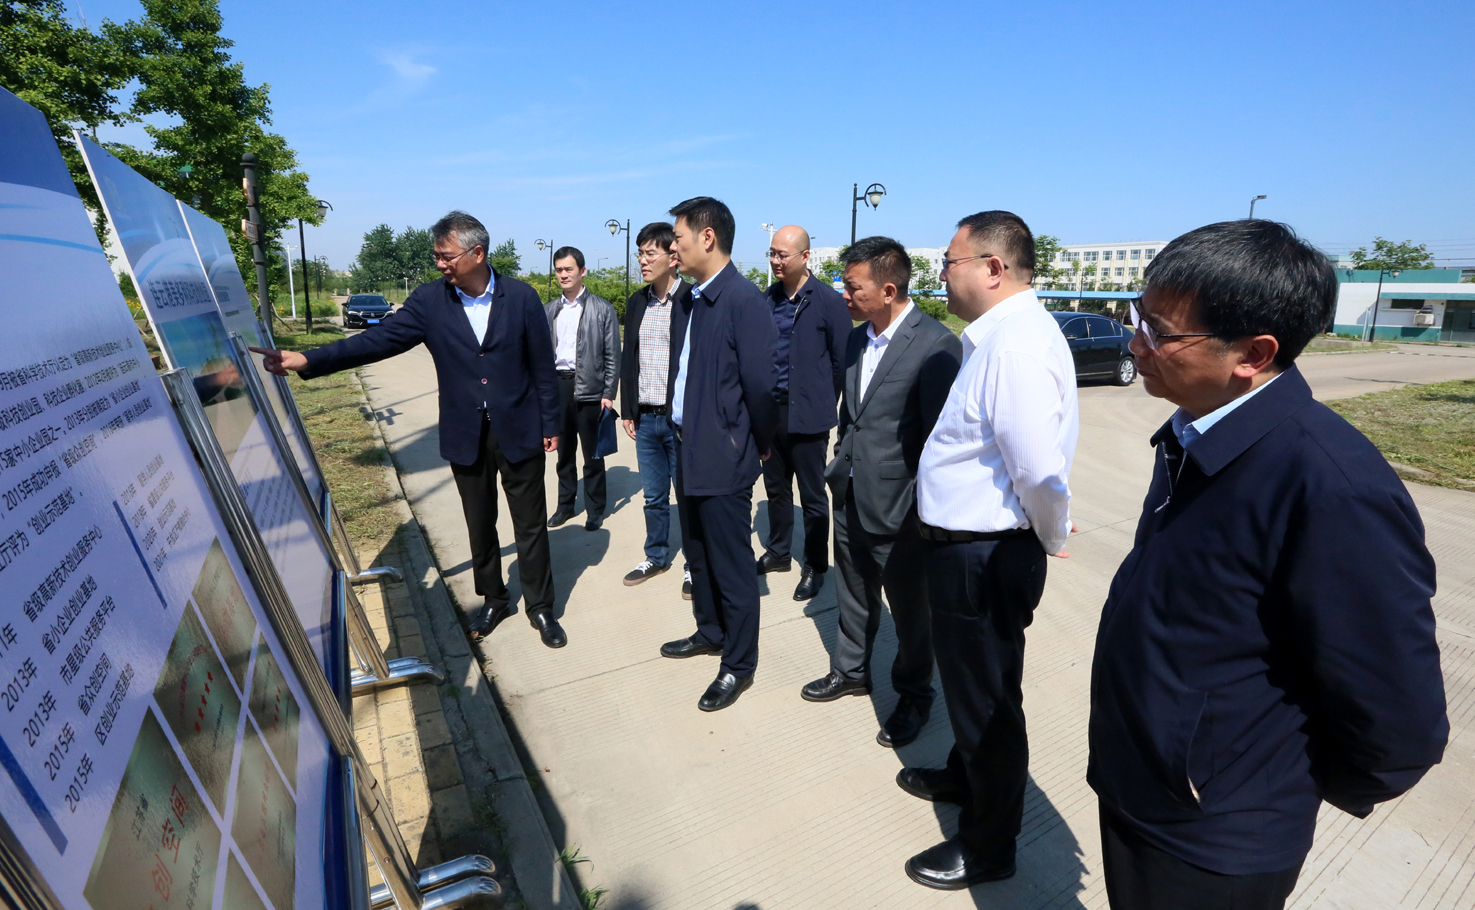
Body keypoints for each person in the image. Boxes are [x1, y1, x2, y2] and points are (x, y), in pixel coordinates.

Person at [1088, 220, 1447, 910]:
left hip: (1216, 835)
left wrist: (1260, 784)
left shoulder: (1330, 484)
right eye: (1138, 317)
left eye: (1159, 332)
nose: (1136, 344)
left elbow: (1399, 715)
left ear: (1252, 354)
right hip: (1143, 786)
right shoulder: (1194, 433)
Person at [250, 211, 567, 649]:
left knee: (530, 526)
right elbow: (377, 341)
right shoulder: (430, 301)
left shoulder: (522, 297)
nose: (439, 263)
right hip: (465, 433)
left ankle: (541, 607)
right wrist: (309, 359)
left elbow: (543, 368)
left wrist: (551, 423)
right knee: (480, 525)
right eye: (437, 255)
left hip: (519, 429)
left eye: (446, 256)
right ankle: (495, 599)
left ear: (477, 253)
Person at [899, 211, 1078, 889]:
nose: (941, 275)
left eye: (949, 262)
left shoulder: (1017, 346)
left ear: (992, 268)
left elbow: (1037, 470)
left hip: (986, 554)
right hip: (967, 550)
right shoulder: (1000, 337)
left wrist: (1049, 534)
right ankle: (965, 775)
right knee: (973, 691)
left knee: (991, 706)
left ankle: (989, 844)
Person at [801, 237, 961, 744]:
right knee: (852, 591)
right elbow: (852, 416)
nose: (843, 295)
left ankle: (914, 696)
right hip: (848, 491)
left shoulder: (936, 344)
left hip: (902, 508)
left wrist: (924, 512)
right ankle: (851, 671)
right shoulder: (855, 340)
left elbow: (939, 440)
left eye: (853, 287)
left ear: (888, 290)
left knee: (912, 611)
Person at [657, 196, 778, 712]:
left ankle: (738, 663)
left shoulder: (743, 300)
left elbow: (762, 388)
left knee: (731, 564)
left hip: (723, 454)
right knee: (698, 551)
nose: (672, 248)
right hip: (687, 447)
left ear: (707, 238)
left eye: (678, 238)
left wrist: (755, 443)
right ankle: (710, 630)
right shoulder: (691, 298)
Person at [756, 225, 850, 601]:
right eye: (772, 254)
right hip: (772, 414)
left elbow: (841, 362)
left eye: (783, 255)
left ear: (805, 256)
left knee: (812, 495)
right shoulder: (767, 300)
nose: (776, 261)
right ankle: (779, 552)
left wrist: (823, 400)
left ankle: (815, 565)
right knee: (776, 489)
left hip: (809, 416)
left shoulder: (827, 301)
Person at [619, 222, 694, 590]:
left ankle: (695, 564)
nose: (643, 261)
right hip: (646, 419)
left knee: (689, 495)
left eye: (650, 254)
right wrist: (627, 409)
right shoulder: (638, 301)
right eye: (640, 254)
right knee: (653, 496)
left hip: (680, 420)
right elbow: (628, 358)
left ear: (672, 257)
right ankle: (656, 555)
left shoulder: (691, 301)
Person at [544, 247, 620, 531]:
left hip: (590, 390)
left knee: (592, 455)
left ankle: (595, 509)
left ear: (582, 271)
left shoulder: (602, 308)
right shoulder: (550, 310)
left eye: (569, 269)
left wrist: (608, 394)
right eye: (559, 270)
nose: (563, 274)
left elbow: (612, 355)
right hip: (559, 387)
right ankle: (565, 506)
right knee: (563, 454)